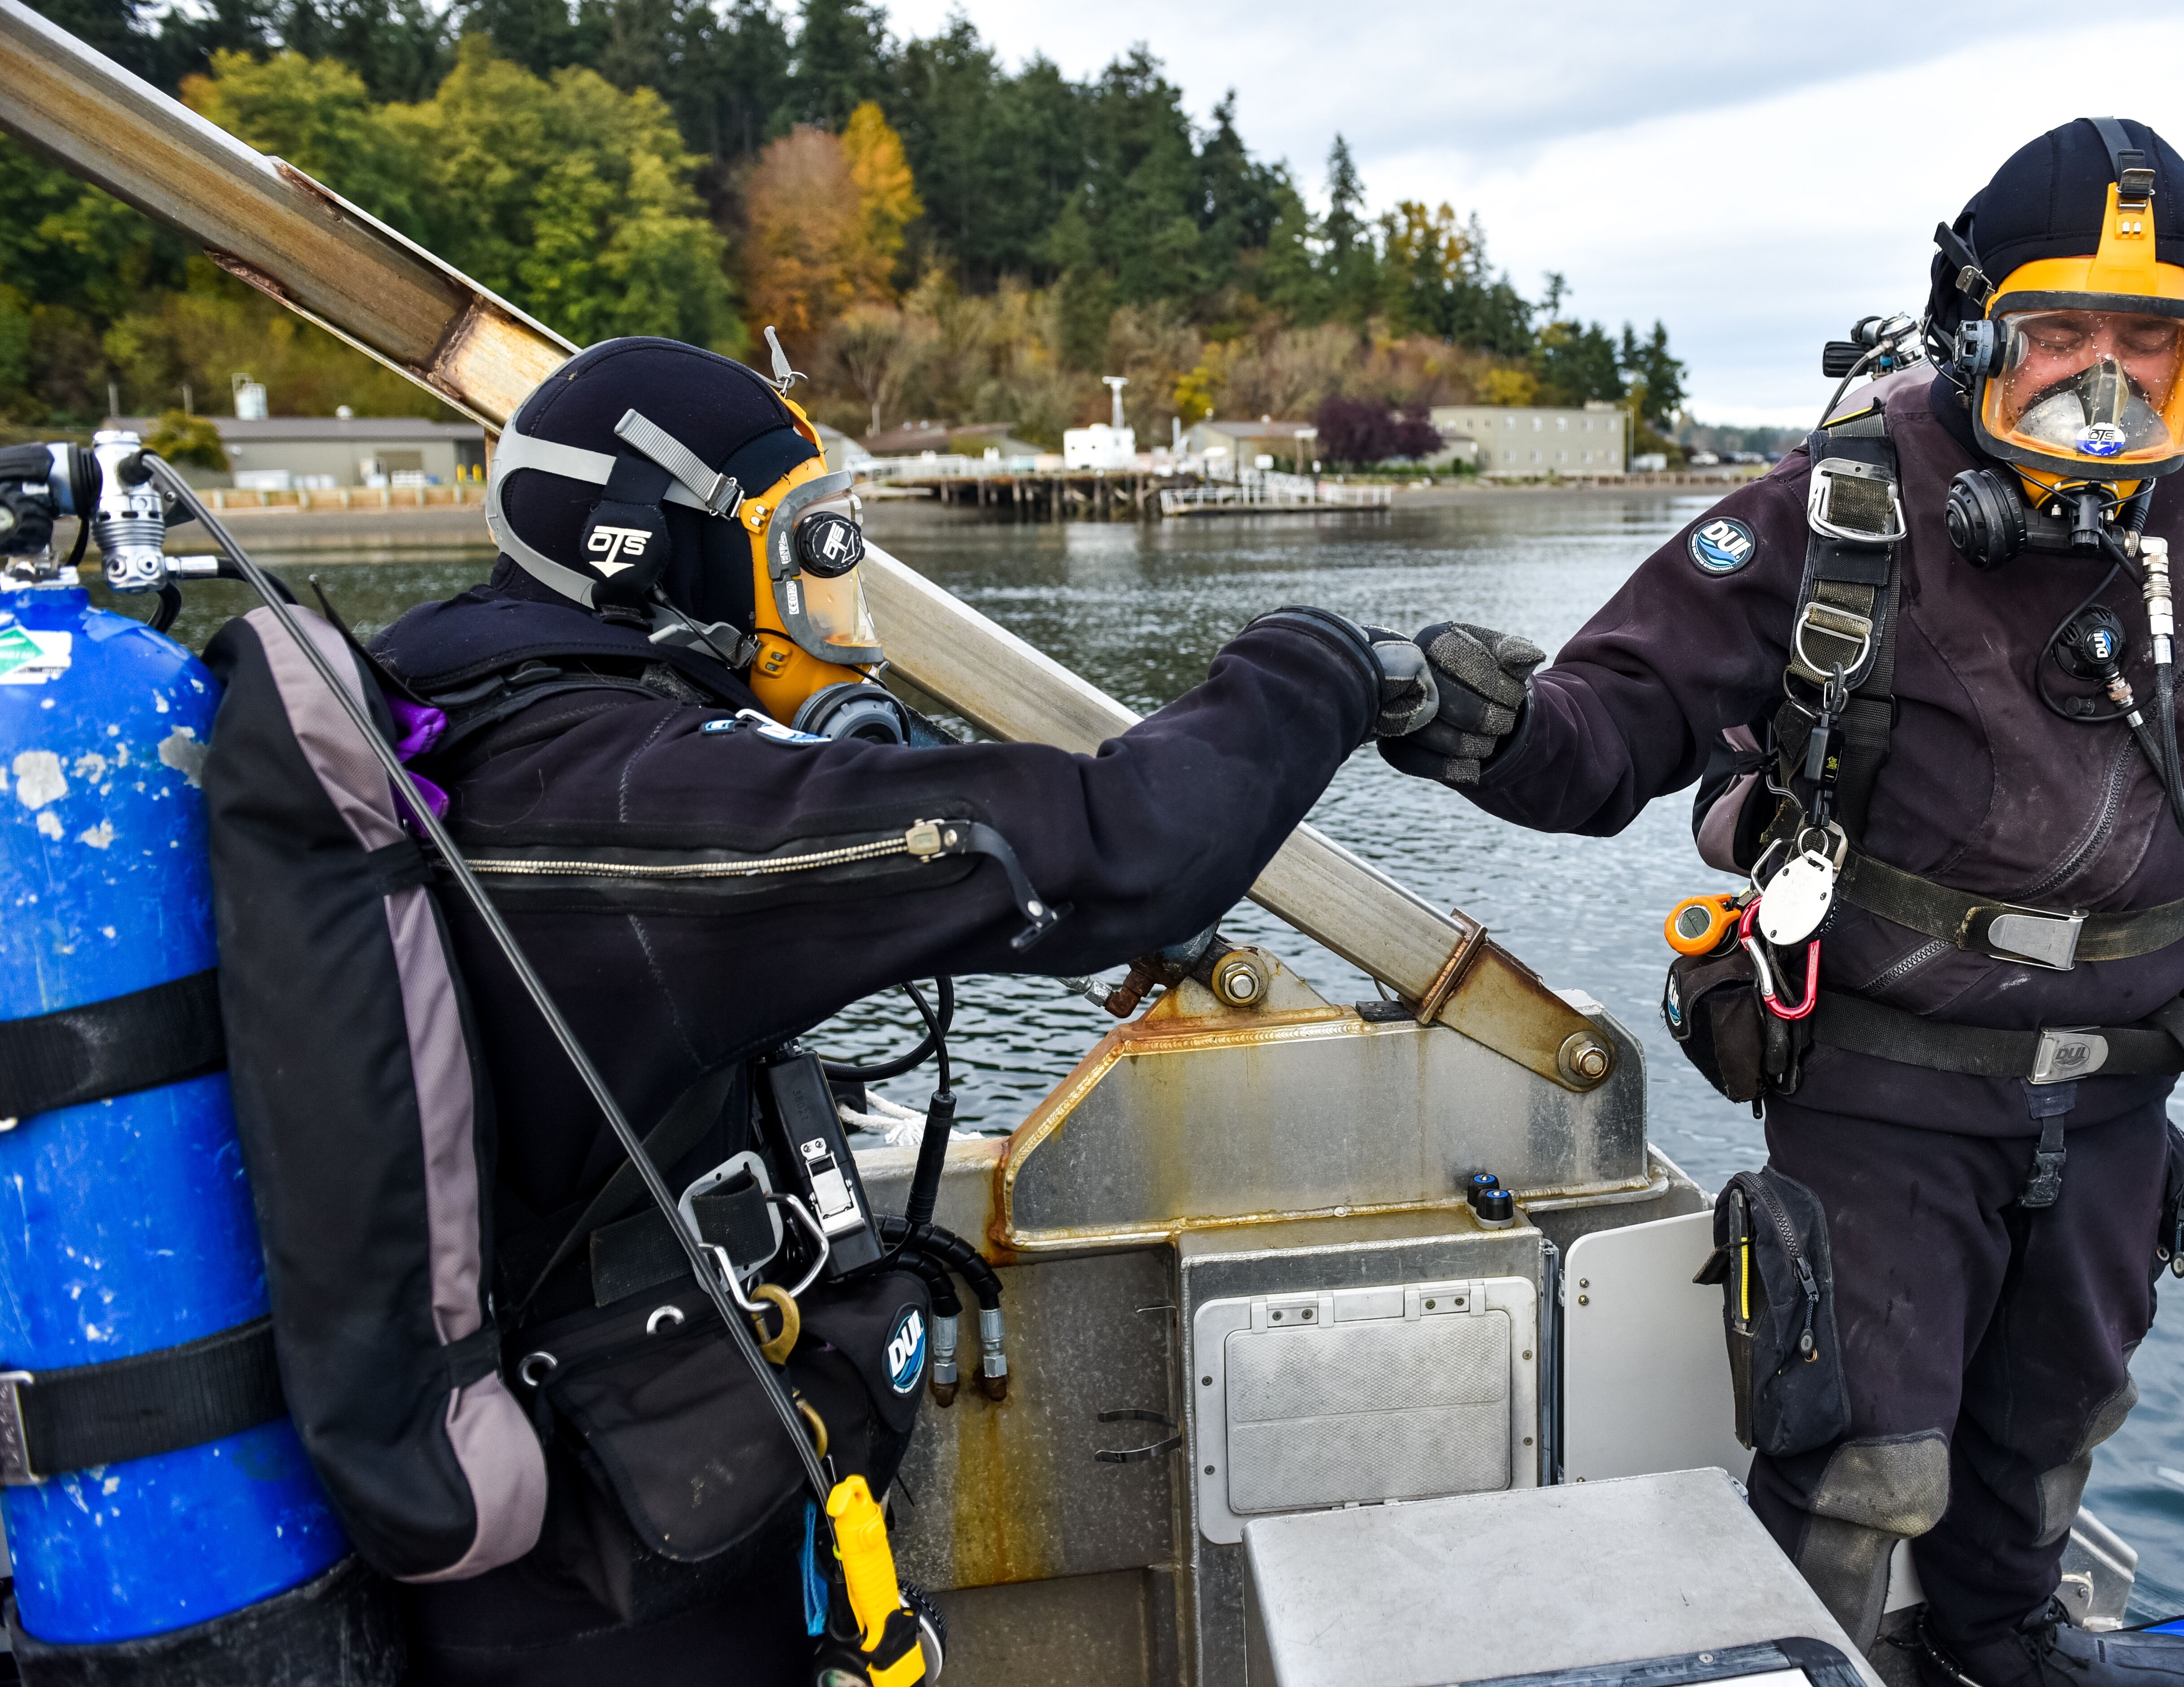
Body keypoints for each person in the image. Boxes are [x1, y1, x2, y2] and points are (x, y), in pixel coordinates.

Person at [1375, 119, 2184, 1687]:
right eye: (2058, 335)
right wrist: (1487, 726)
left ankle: (2000, 1654)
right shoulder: (1845, 507)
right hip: (1886, 1080)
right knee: (1864, 1462)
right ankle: (1803, 1659)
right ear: (1970, 323)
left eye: (2152, 343)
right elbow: (1617, 717)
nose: (2107, 385)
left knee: (2054, 1431)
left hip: (2129, 1074)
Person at [361, 336, 1425, 1684]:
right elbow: (1118, 849)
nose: (832, 597)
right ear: (661, 553)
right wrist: (1319, 662)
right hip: (602, 1582)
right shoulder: (630, 801)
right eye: (811, 548)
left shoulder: (470, 719)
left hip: (581, 1490)